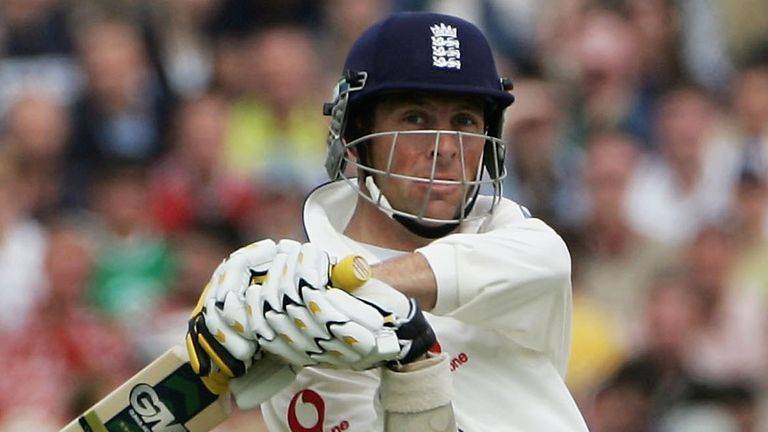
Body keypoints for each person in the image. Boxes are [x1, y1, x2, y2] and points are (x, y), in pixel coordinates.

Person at [186, 12, 588, 431]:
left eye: (465, 121)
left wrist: (346, 287)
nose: (446, 147)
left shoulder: (521, 241)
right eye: (415, 119)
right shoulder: (306, 325)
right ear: (355, 137)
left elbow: (544, 258)